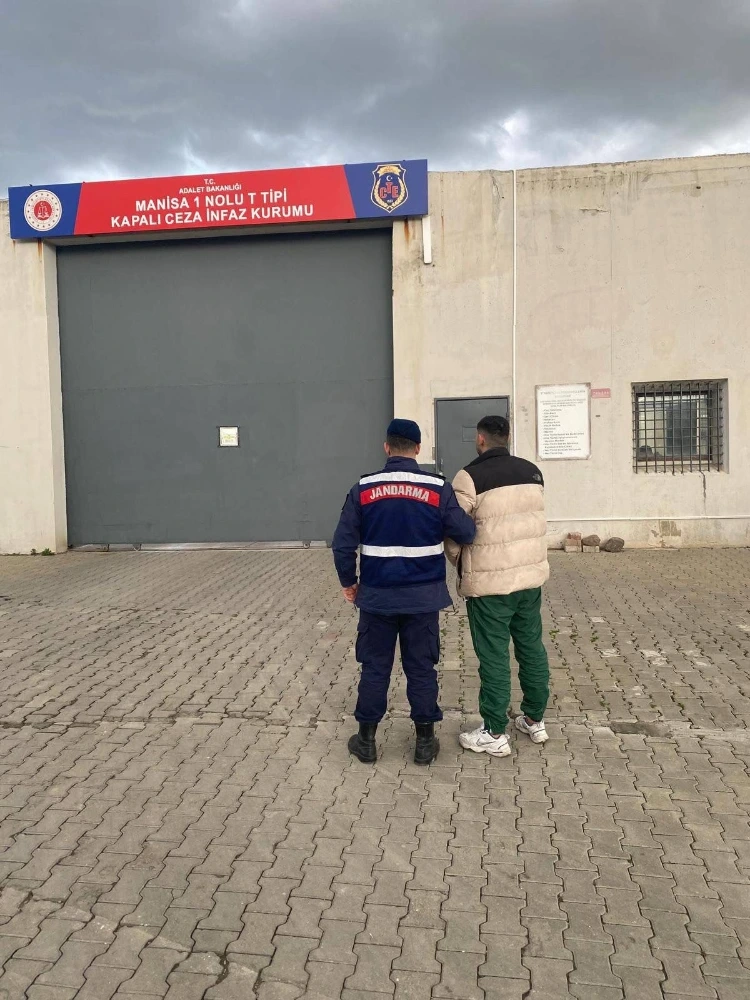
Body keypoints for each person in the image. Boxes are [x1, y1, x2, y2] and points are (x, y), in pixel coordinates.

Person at [332, 418, 476, 765]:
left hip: (377, 598)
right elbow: (466, 533)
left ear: (386, 448)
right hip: (422, 599)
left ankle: (366, 741)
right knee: (421, 668)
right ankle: (425, 743)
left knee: (375, 667)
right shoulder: (437, 488)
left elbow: (342, 545)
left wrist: (349, 582)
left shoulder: (363, 488)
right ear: (418, 448)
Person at [445, 415, 550, 757]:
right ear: (507, 437)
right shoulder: (533, 473)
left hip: (490, 584)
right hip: (529, 580)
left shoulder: (469, 476)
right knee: (531, 647)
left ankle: (493, 731)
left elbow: (454, 528)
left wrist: (459, 562)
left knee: (493, 656)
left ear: (480, 439)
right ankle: (534, 719)